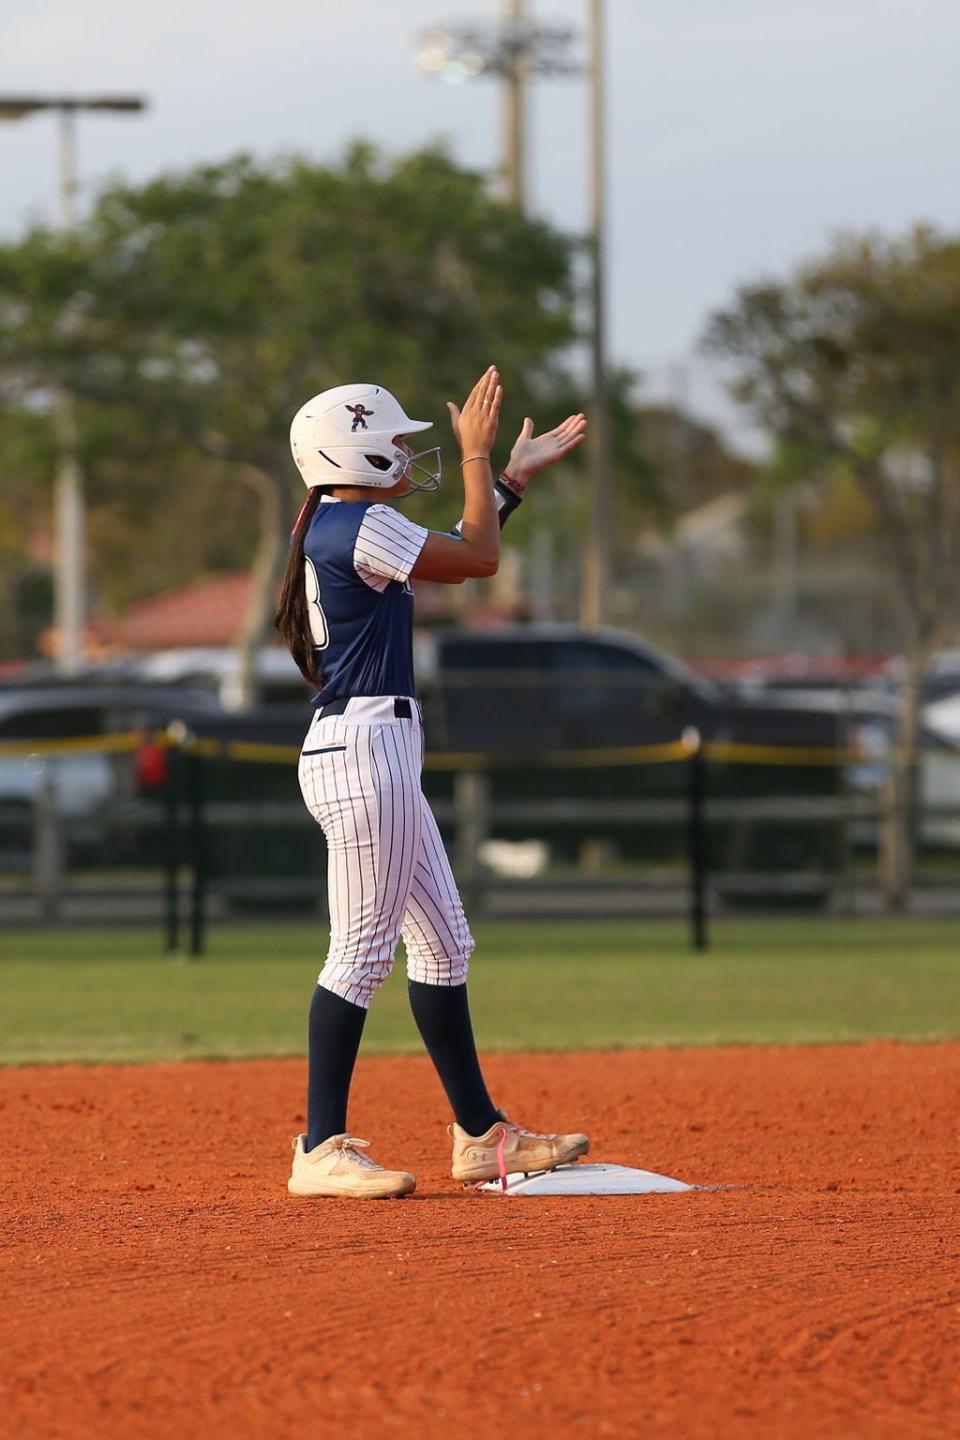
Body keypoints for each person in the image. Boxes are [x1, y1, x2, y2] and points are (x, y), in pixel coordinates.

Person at [276, 366, 588, 1198]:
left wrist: (509, 477)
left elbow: (454, 549)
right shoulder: (358, 524)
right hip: (364, 751)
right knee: (360, 954)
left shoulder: (346, 527)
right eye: (398, 443)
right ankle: (319, 1148)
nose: (411, 455)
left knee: (444, 945)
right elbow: (480, 558)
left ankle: (483, 1138)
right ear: (358, 451)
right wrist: (481, 460)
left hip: (373, 749)